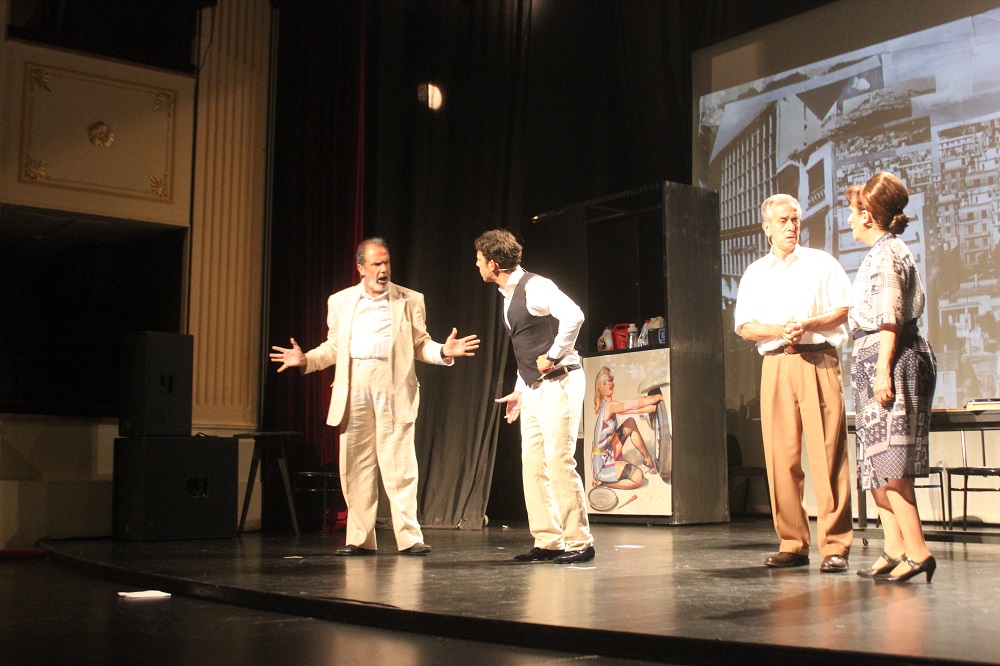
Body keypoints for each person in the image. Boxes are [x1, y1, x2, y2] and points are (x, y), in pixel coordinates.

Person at [270, 238, 480, 556]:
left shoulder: (410, 299)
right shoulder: (340, 301)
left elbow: (420, 344)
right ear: (360, 268)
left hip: (393, 385)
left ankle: (409, 538)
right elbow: (334, 347)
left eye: (386, 263)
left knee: (400, 466)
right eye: (376, 264)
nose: (383, 270)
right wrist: (306, 360)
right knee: (356, 465)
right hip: (354, 385)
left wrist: (443, 351)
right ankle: (360, 538)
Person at [734, 194, 854, 572]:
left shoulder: (822, 263)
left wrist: (808, 324)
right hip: (777, 363)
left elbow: (844, 309)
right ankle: (792, 543)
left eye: (795, 220)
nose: (790, 227)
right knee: (781, 458)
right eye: (782, 221)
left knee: (828, 454)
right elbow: (745, 326)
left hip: (818, 359)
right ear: (766, 227)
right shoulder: (756, 272)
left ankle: (835, 546)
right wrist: (778, 330)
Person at [474, 229, 595, 564]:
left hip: (560, 381)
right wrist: (519, 389)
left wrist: (553, 355)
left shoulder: (535, 287)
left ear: (493, 263)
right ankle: (549, 540)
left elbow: (574, 315)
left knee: (559, 461)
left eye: (479, 260)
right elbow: (525, 347)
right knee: (533, 465)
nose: (477, 265)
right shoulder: (508, 295)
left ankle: (580, 542)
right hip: (533, 389)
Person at [846, 172, 937, 583]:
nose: (850, 219)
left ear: (868, 215)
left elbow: (889, 318)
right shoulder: (880, 252)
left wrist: (883, 370)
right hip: (874, 359)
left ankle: (918, 552)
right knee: (875, 461)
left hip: (893, 359)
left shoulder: (887, 255)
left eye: (854, 211)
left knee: (892, 461)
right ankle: (895, 546)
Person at [591, 366, 661, 490]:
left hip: (607, 452)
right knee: (638, 477)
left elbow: (633, 408)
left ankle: (648, 459)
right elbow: (633, 405)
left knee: (630, 422)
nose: (609, 383)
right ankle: (603, 482)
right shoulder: (609, 407)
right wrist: (658, 397)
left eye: (609, 380)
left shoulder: (610, 404)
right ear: (600, 390)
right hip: (601, 464)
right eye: (604, 383)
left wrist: (653, 408)